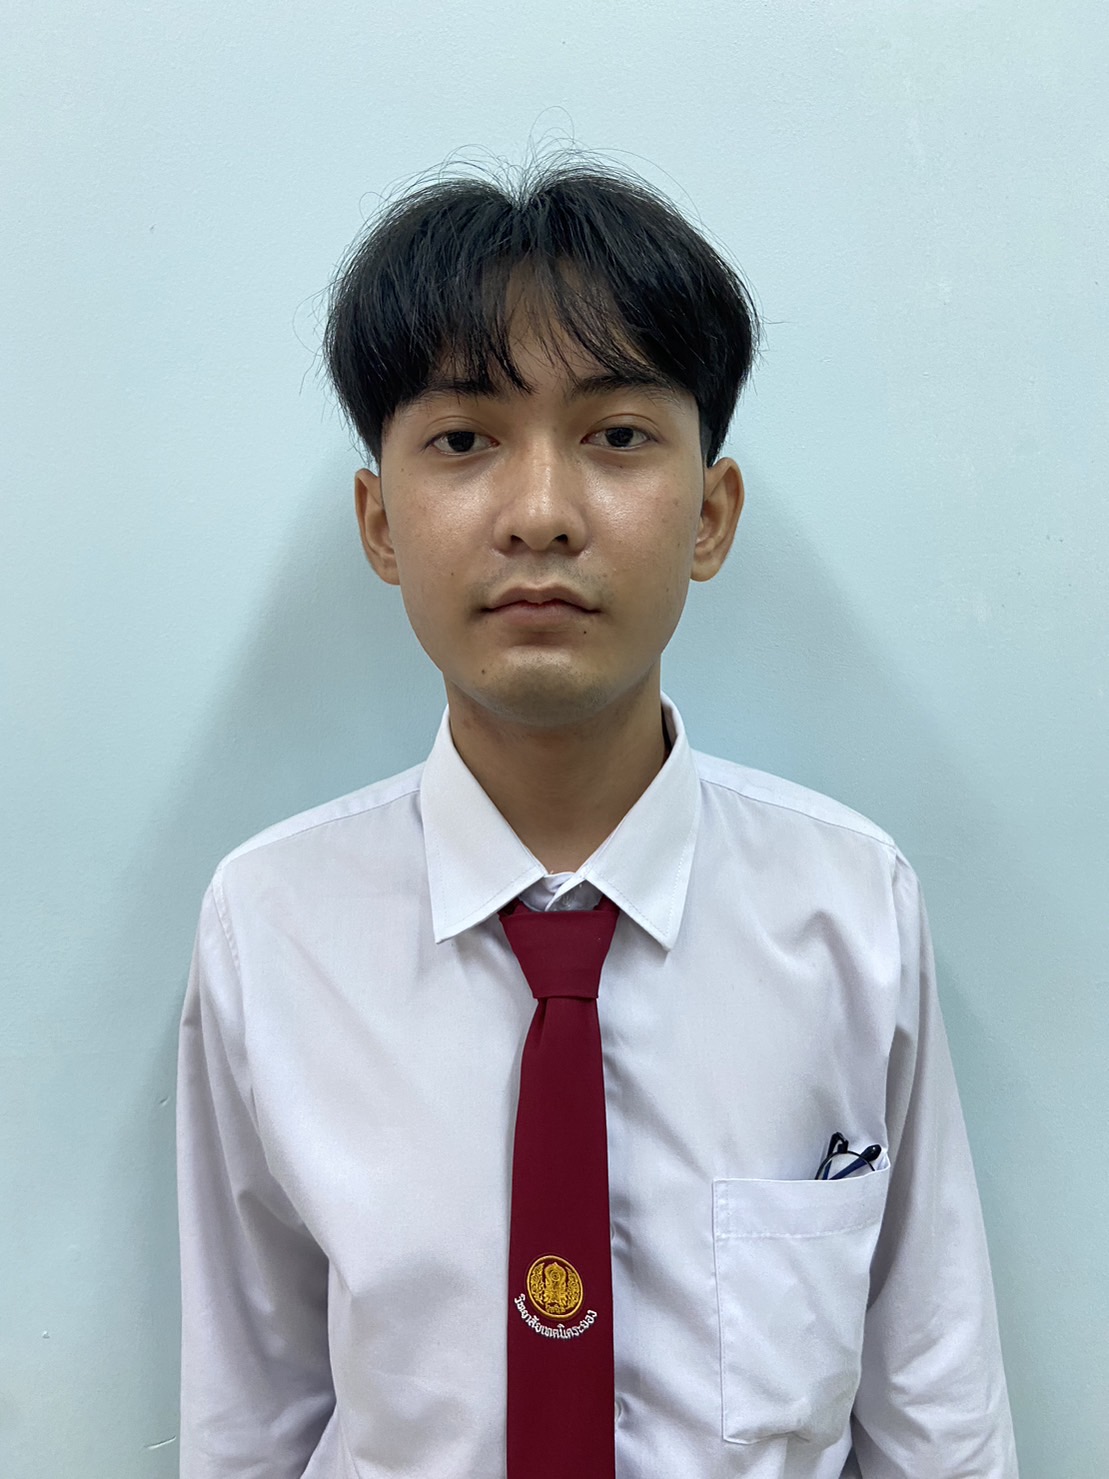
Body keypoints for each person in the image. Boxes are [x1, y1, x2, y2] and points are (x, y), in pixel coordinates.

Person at [176, 158, 1019, 1478]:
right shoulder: (272, 927)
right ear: (380, 523)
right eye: (463, 440)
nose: (541, 516)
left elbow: (937, 1413)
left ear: (711, 515)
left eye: (616, 436)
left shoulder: (848, 909)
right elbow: (249, 1417)